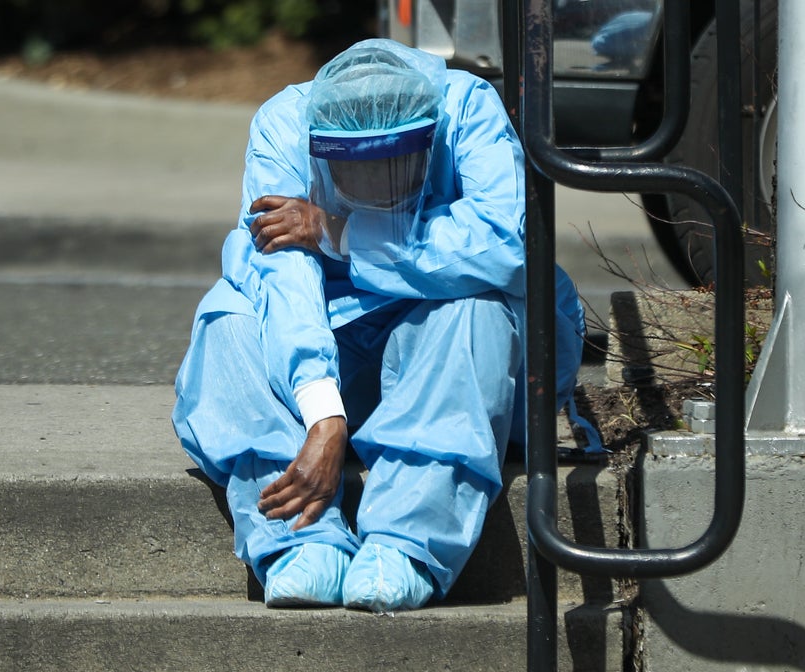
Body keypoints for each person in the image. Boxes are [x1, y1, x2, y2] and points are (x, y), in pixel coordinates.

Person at [172, 38, 596, 614]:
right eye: (356, 170)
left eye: (394, 166)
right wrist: (323, 413)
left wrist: (338, 231)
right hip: (342, 353)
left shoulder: (466, 105)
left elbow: (505, 243)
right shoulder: (282, 123)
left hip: (458, 363)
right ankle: (299, 539)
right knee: (228, 322)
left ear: (428, 136)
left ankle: (406, 542)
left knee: (474, 307)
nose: (377, 186)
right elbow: (282, 273)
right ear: (320, 148)